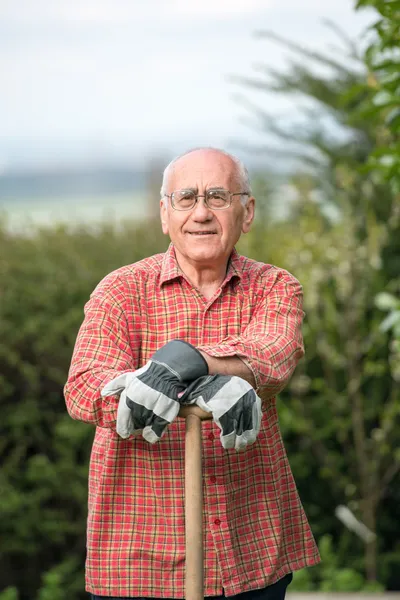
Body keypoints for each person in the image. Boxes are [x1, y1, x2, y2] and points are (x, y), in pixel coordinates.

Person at [64, 147, 320, 600]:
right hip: (140, 556)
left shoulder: (275, 286)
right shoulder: (121, 289)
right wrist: (169, 387)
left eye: (218, 197)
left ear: (248, 211)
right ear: (165, 214)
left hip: (251, 549)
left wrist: (182, 362)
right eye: (186, 198)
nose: (201, 213)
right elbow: (84, 386)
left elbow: (273, 356)